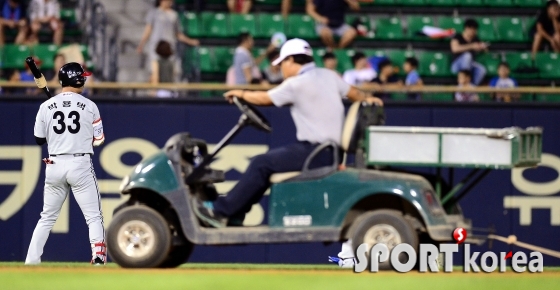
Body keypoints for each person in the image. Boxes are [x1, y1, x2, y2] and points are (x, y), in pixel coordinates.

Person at [191, 38, 383, 228]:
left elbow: (265, 98)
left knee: (261, 163)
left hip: (315, 153)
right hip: (331, 153)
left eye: (282, 63)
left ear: (291, 60)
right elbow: (357, 95)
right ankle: (236, 213)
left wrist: (240, 93)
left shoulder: (296, 84)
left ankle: (220, 211)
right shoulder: (329, 75)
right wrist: (370, 98)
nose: (281, 68)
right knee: (265, 165)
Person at [25, 62, 106, 265]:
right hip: (80, 164)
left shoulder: (46, 106)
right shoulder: (90, 105)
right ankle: (98, 259)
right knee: (94, 217)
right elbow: (99, 140)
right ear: (79, 79)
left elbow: (39, 139)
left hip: (54, 164)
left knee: (46, 218)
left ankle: (31, 262)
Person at [450, 18, 487, 86]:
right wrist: (471, 46)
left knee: (481, 69)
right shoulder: (458, 36)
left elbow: (485, 51)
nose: (473, 32)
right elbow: (454, 49)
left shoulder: (475, 38)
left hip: (470, 65)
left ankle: (472, 87)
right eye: (472, 29)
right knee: (467, 56)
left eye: (475, 30)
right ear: (467, 28)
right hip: (456, 66)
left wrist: (482, 48)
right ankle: (463, 85)